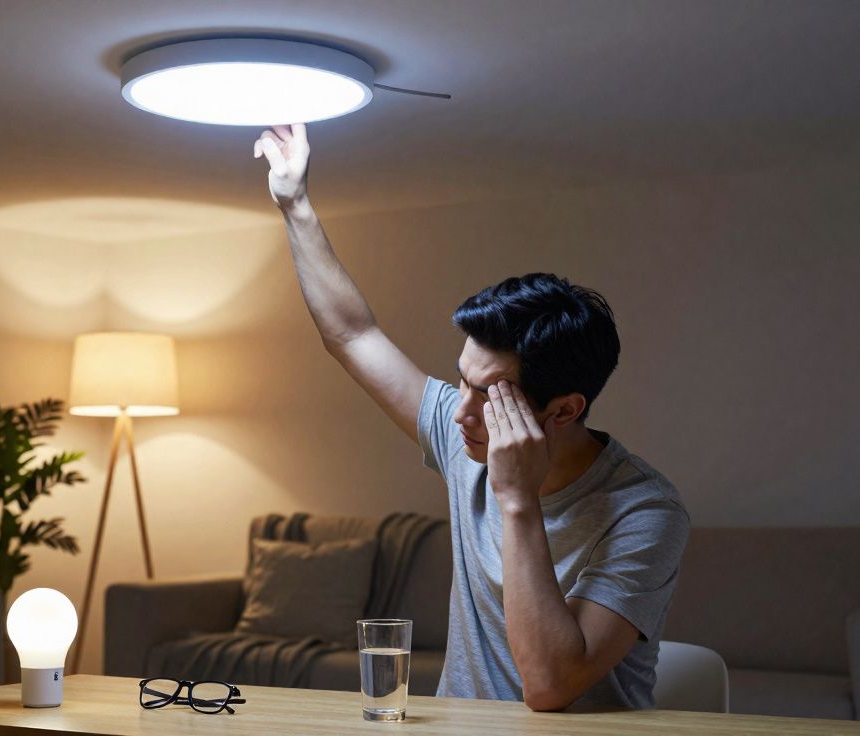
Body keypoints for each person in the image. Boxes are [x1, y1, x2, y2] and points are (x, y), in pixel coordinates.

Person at [253, 123, 690, 711]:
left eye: (489, 394)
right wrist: (296, 204)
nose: (460, 413)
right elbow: (352, 334)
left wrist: (517, 499)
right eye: (461, 379)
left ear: (563, 410)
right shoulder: (466, 433)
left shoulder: (646, 512)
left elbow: (549, 686)